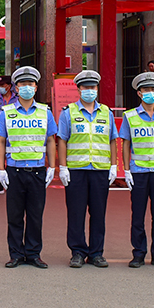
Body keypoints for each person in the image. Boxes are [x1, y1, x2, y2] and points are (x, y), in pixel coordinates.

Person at [0, 66, 57, 269]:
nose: (27, 87)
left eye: (30, 84)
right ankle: (16, 254)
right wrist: (1, 169)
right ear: (16, 88)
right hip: (14, 171)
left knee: (35, 215)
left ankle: (33, 253)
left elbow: (50, 141)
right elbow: (0, 141)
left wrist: (52, 167)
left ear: (36, 87)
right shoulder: (6, 112)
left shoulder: (45, 112)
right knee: (14, 215)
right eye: (22, 84)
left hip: (37, 171)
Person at [56, 70, 118, 268]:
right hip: (76, 170)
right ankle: (77, 251)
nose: (89, 91)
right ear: (79, 89)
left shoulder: (106, 113)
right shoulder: (69, 113)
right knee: (76, 212)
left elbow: (112, 141)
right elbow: (62, 140)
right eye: (85, 87)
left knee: (99, 213)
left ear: (97, 89)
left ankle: (97, 252)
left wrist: (114, 166)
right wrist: (63, 167)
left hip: (100, 169)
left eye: (92, 87)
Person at [118, 71, 154, 269]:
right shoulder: (130, 116)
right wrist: (126, 171)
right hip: (139, 172)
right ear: (139, 93)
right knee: (138, 215)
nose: (150, 93)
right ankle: (139, 253)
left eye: (153, 89)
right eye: (146, 90)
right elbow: (125, 143)